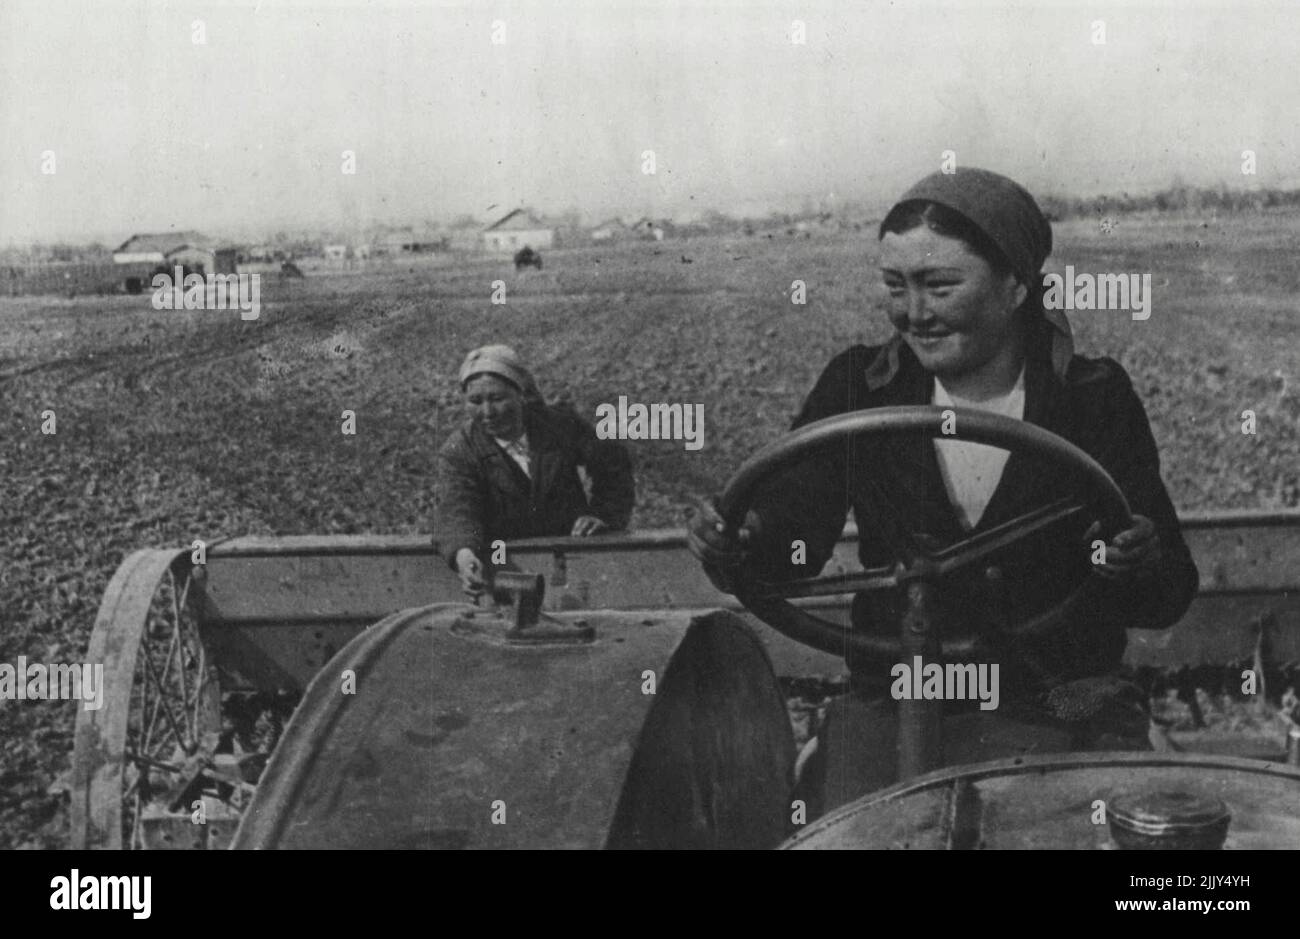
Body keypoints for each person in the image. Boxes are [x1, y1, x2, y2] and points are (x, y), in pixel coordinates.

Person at [687, 167, 1199, 812]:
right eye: (894, 286)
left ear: (1015, 286)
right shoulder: (860, 388)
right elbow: (792, 531)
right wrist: (741, 539)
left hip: (1059, 695)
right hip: (898, 689)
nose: (915, 314)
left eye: (939, 285)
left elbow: (1165, 595)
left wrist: (1134, 558)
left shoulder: (1090, 399)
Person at [436, 344, 635, 594]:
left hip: (574, 561)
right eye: (475, 401)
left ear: (520, 394)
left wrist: (603, 515)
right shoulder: (461, 449)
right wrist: (464, 556)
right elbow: (457, 509)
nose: (487, 412)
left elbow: (613, 465)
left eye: (498, 399)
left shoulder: (559, 427)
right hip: (507, 569)